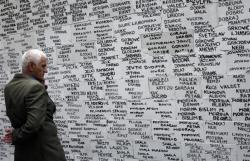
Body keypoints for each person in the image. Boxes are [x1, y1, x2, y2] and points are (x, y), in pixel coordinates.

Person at [3, 49, 66, 161]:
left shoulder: (9, 87)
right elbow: (33, 124)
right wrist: (15, 135)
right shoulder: (35, 87)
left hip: (23, 152)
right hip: (45, 152)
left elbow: (20, 113)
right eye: (43, 66)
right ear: (31, 66)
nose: (46, 70)